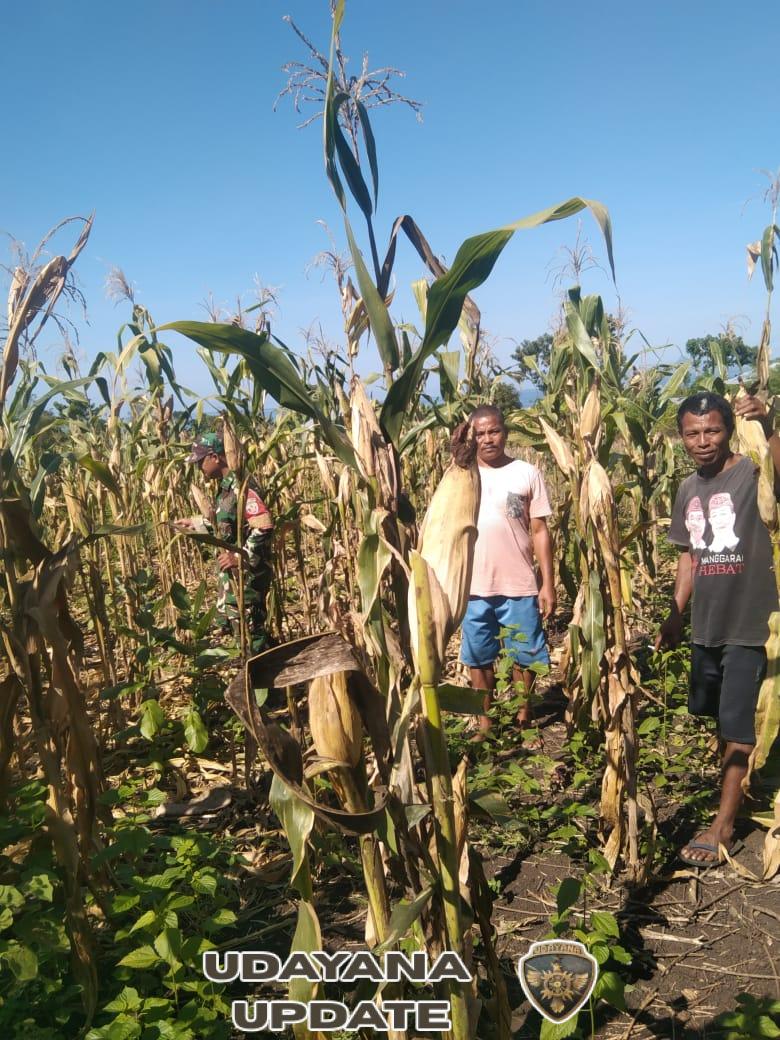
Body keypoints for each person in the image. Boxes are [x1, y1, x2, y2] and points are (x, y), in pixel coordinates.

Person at [655, 390, 780, 866]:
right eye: (692, 433)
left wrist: (769, 426)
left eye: (712, 431)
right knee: (710, 709)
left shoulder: (753, 471)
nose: (703, 441)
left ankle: (723, 823)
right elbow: (689, 556)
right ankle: (739, 779)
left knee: (736, 724)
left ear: (728, 430)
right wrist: (674, 613)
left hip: (751, 622)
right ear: (681, 437)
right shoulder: (688, 488)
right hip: (706, 624)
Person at [459, 405, 556, 741]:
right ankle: (485, 725)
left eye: (494, 431)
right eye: (480, 433)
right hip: (472, 585)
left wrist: (548, 584)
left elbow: (540, 530)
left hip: (519, 582)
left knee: (525, 655)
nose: (488, 439)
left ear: (505, 432)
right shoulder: (462, 475)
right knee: (478, 657)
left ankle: (523, 716)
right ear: (472, 436)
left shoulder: (526, 473)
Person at [178, 432, 274, 655]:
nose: (198, 467)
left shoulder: (243, 488)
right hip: (233, 583)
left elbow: (264, 525)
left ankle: (268, 686)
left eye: (200, 461)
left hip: (246, 580)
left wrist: (240, 557)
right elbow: (230, 526)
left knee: (253, 642)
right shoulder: (225, 490)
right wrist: (196, 523)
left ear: (214, 457)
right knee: (243, 637)